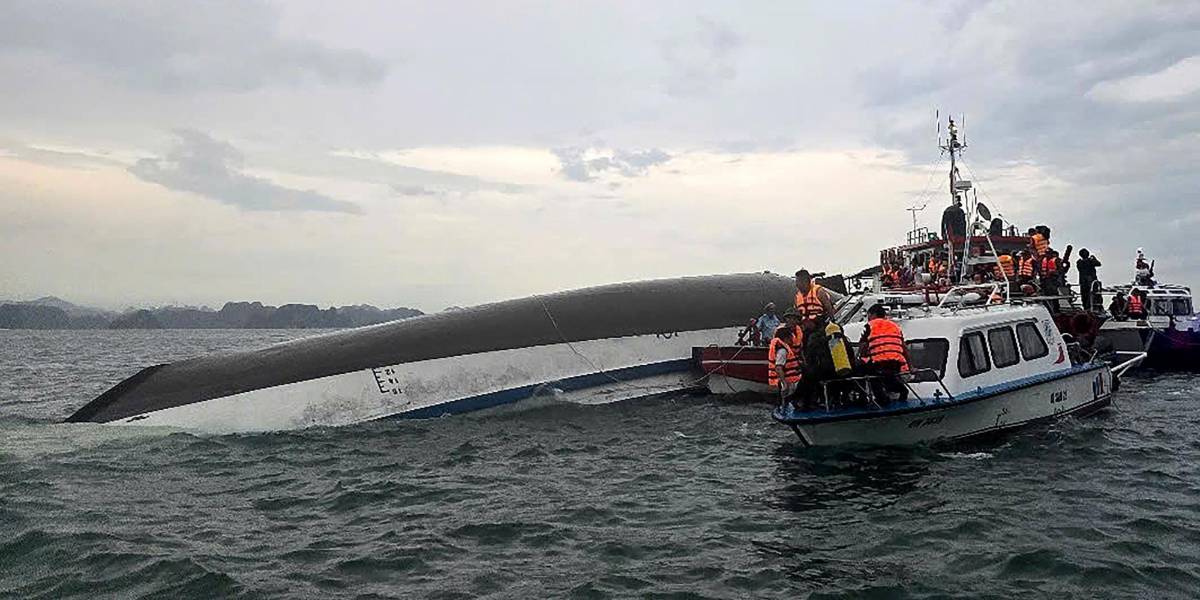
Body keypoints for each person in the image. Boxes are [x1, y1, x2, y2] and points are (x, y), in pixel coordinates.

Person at [858, 304, 910, 403]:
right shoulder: (895, 326)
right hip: (896, 362)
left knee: (864, 372)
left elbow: (863, 347)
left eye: (868, 315)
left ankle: (866, 398)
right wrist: (910, 366)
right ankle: (902, 390)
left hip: (879, 362)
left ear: (872, 314)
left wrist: (862, 356)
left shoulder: (869, 326)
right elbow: (904, 347)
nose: (868, 318)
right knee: (888, 378)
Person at [767, 326, 802, 403]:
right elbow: (778, 368)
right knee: (788, 399)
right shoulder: (782, 351)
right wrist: (784, 384)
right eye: (791, 337)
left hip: (791, 381)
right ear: (786, 338)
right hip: (789, 383)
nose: (793, 339)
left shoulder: (784, 349)